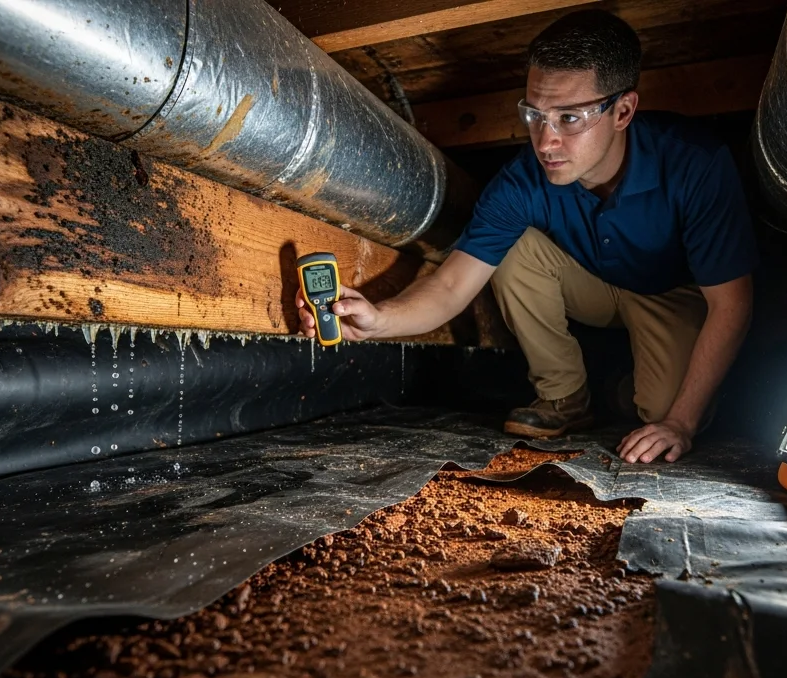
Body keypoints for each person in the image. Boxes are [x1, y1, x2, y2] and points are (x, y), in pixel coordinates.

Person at [296, 10, 758, 464]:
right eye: (535, 114)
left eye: (570, 118)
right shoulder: (520, 181)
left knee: (663, 415)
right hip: (592, 285)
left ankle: (626, 386)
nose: (545, 141)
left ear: (623, 110)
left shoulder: (695, 164)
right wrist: (379, 320)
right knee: (511, 246)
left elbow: (732, 303)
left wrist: (681, 422)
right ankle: (565, 398)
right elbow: (454, 284)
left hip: (670, 293)